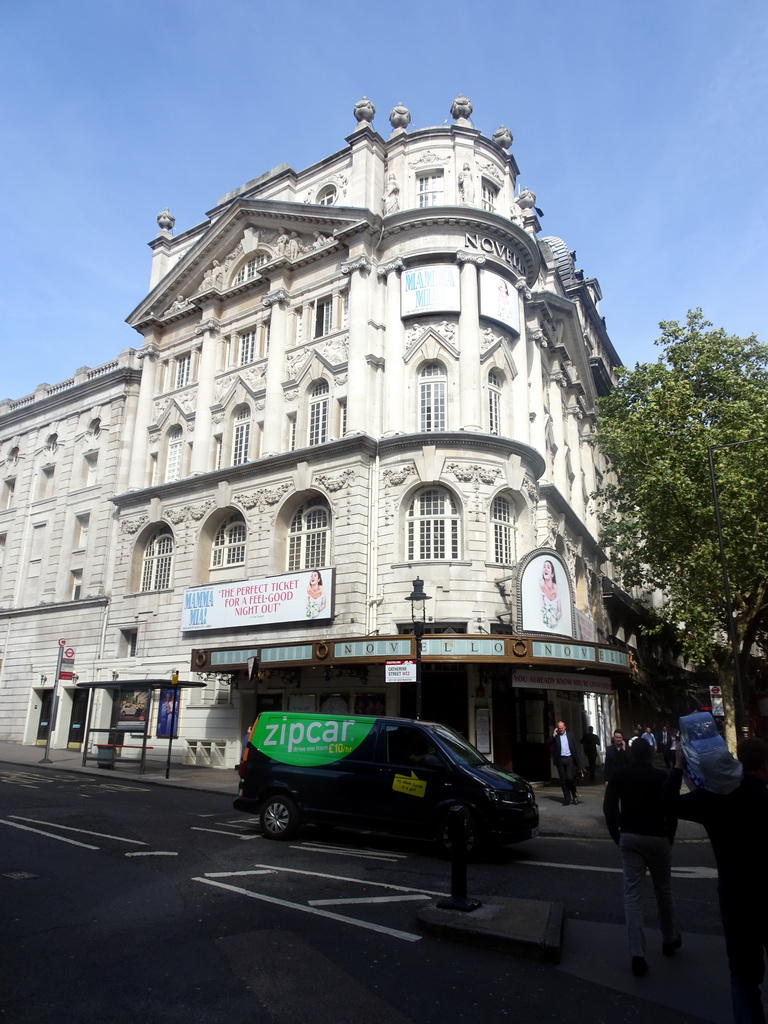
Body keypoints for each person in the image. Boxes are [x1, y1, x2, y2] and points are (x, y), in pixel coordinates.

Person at [664, 737, 768, 1023]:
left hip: (736, 900)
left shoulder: (716, 798)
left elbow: (668, 804)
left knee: (744, 981)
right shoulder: (762, 795)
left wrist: (678, 766)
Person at [603, 737, 680, 977]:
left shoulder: (620, 775)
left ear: (631, 754)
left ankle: (637, 954)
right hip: (658, 836)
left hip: (630, 835)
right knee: (663, 890)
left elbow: (609, 807)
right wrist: (669, 836)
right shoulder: (661, 777)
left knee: (632, 895)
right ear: (650, 755)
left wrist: (617, 834)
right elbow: (672, 808)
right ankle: (668, 940)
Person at [551, 720, 583, 806]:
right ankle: (567, 798)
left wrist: (578, 762)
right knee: (563, 780)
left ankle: (574, 794)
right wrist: (553, 735)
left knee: (570, 778)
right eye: (559, 728)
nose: (561, 730)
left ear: (565, 727)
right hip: (560, 760)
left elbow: (575, 748)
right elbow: (548, 743)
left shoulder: (571, 735)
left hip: (569, 759)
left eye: (562, 728)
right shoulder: (556, 736)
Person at [540, 559, 562, 630]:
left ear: (552, 574)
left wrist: (554, 619)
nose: (545, 569)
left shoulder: (557, 589)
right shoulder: (541, 584)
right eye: (544, 567)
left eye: (548, 567)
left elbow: (560, 611)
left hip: (555, 627)